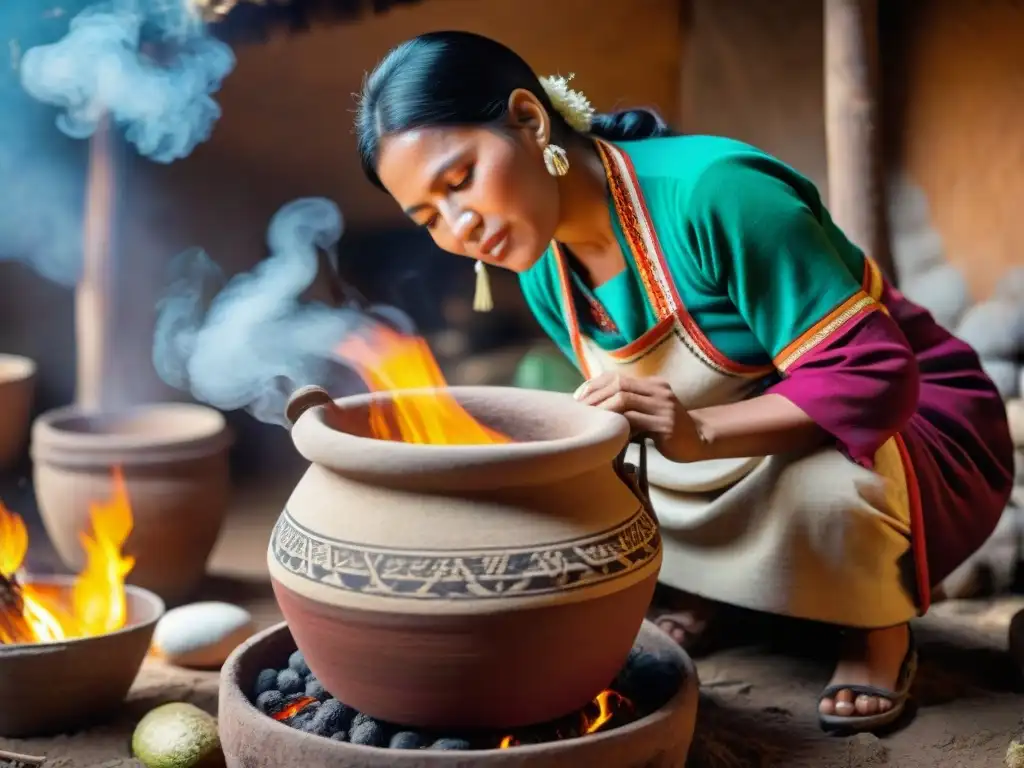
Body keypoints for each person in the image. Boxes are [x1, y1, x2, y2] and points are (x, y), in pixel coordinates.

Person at [354, 30, 1015, 732]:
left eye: (460, 180)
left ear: (528, 118)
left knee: (826, 491)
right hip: (728, 441)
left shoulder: (713, 193)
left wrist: (698, 433)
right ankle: (722, 594)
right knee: (592, 487)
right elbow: (645, 415)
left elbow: (875, 376)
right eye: (427, 217)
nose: (460, 226)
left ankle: (874, 631)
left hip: (906, 425)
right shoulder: (544, 265)